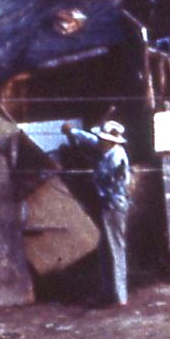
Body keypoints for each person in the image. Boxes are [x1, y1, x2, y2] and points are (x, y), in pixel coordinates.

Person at [64, 118, 131, 305]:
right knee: (105, 249)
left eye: (102, 139)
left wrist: (95, 179)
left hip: (113, 206)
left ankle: (119, 297)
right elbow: (90, 140)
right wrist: (72, 132)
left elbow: (114, 186)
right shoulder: (106, 149)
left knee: (115, 248)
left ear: (110, 141)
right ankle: (109, 292)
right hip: (107, 205)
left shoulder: (117, 160)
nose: (99, 141)